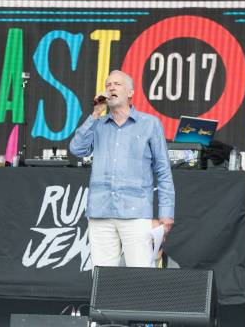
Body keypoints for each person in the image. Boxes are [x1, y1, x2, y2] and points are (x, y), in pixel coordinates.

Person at [69, 70, 175, 268]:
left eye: (117, 84)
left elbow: (163, 170)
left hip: (136, 211)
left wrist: (166, 212)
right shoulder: (98, 124)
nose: (111, 87)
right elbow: (77, 149)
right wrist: (94, 114)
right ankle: (105, 301)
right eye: (108, 84)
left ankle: (140, 302)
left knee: (140, 273)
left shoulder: (150, 124)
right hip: (101, 210)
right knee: (102, 274)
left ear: (130, 93)